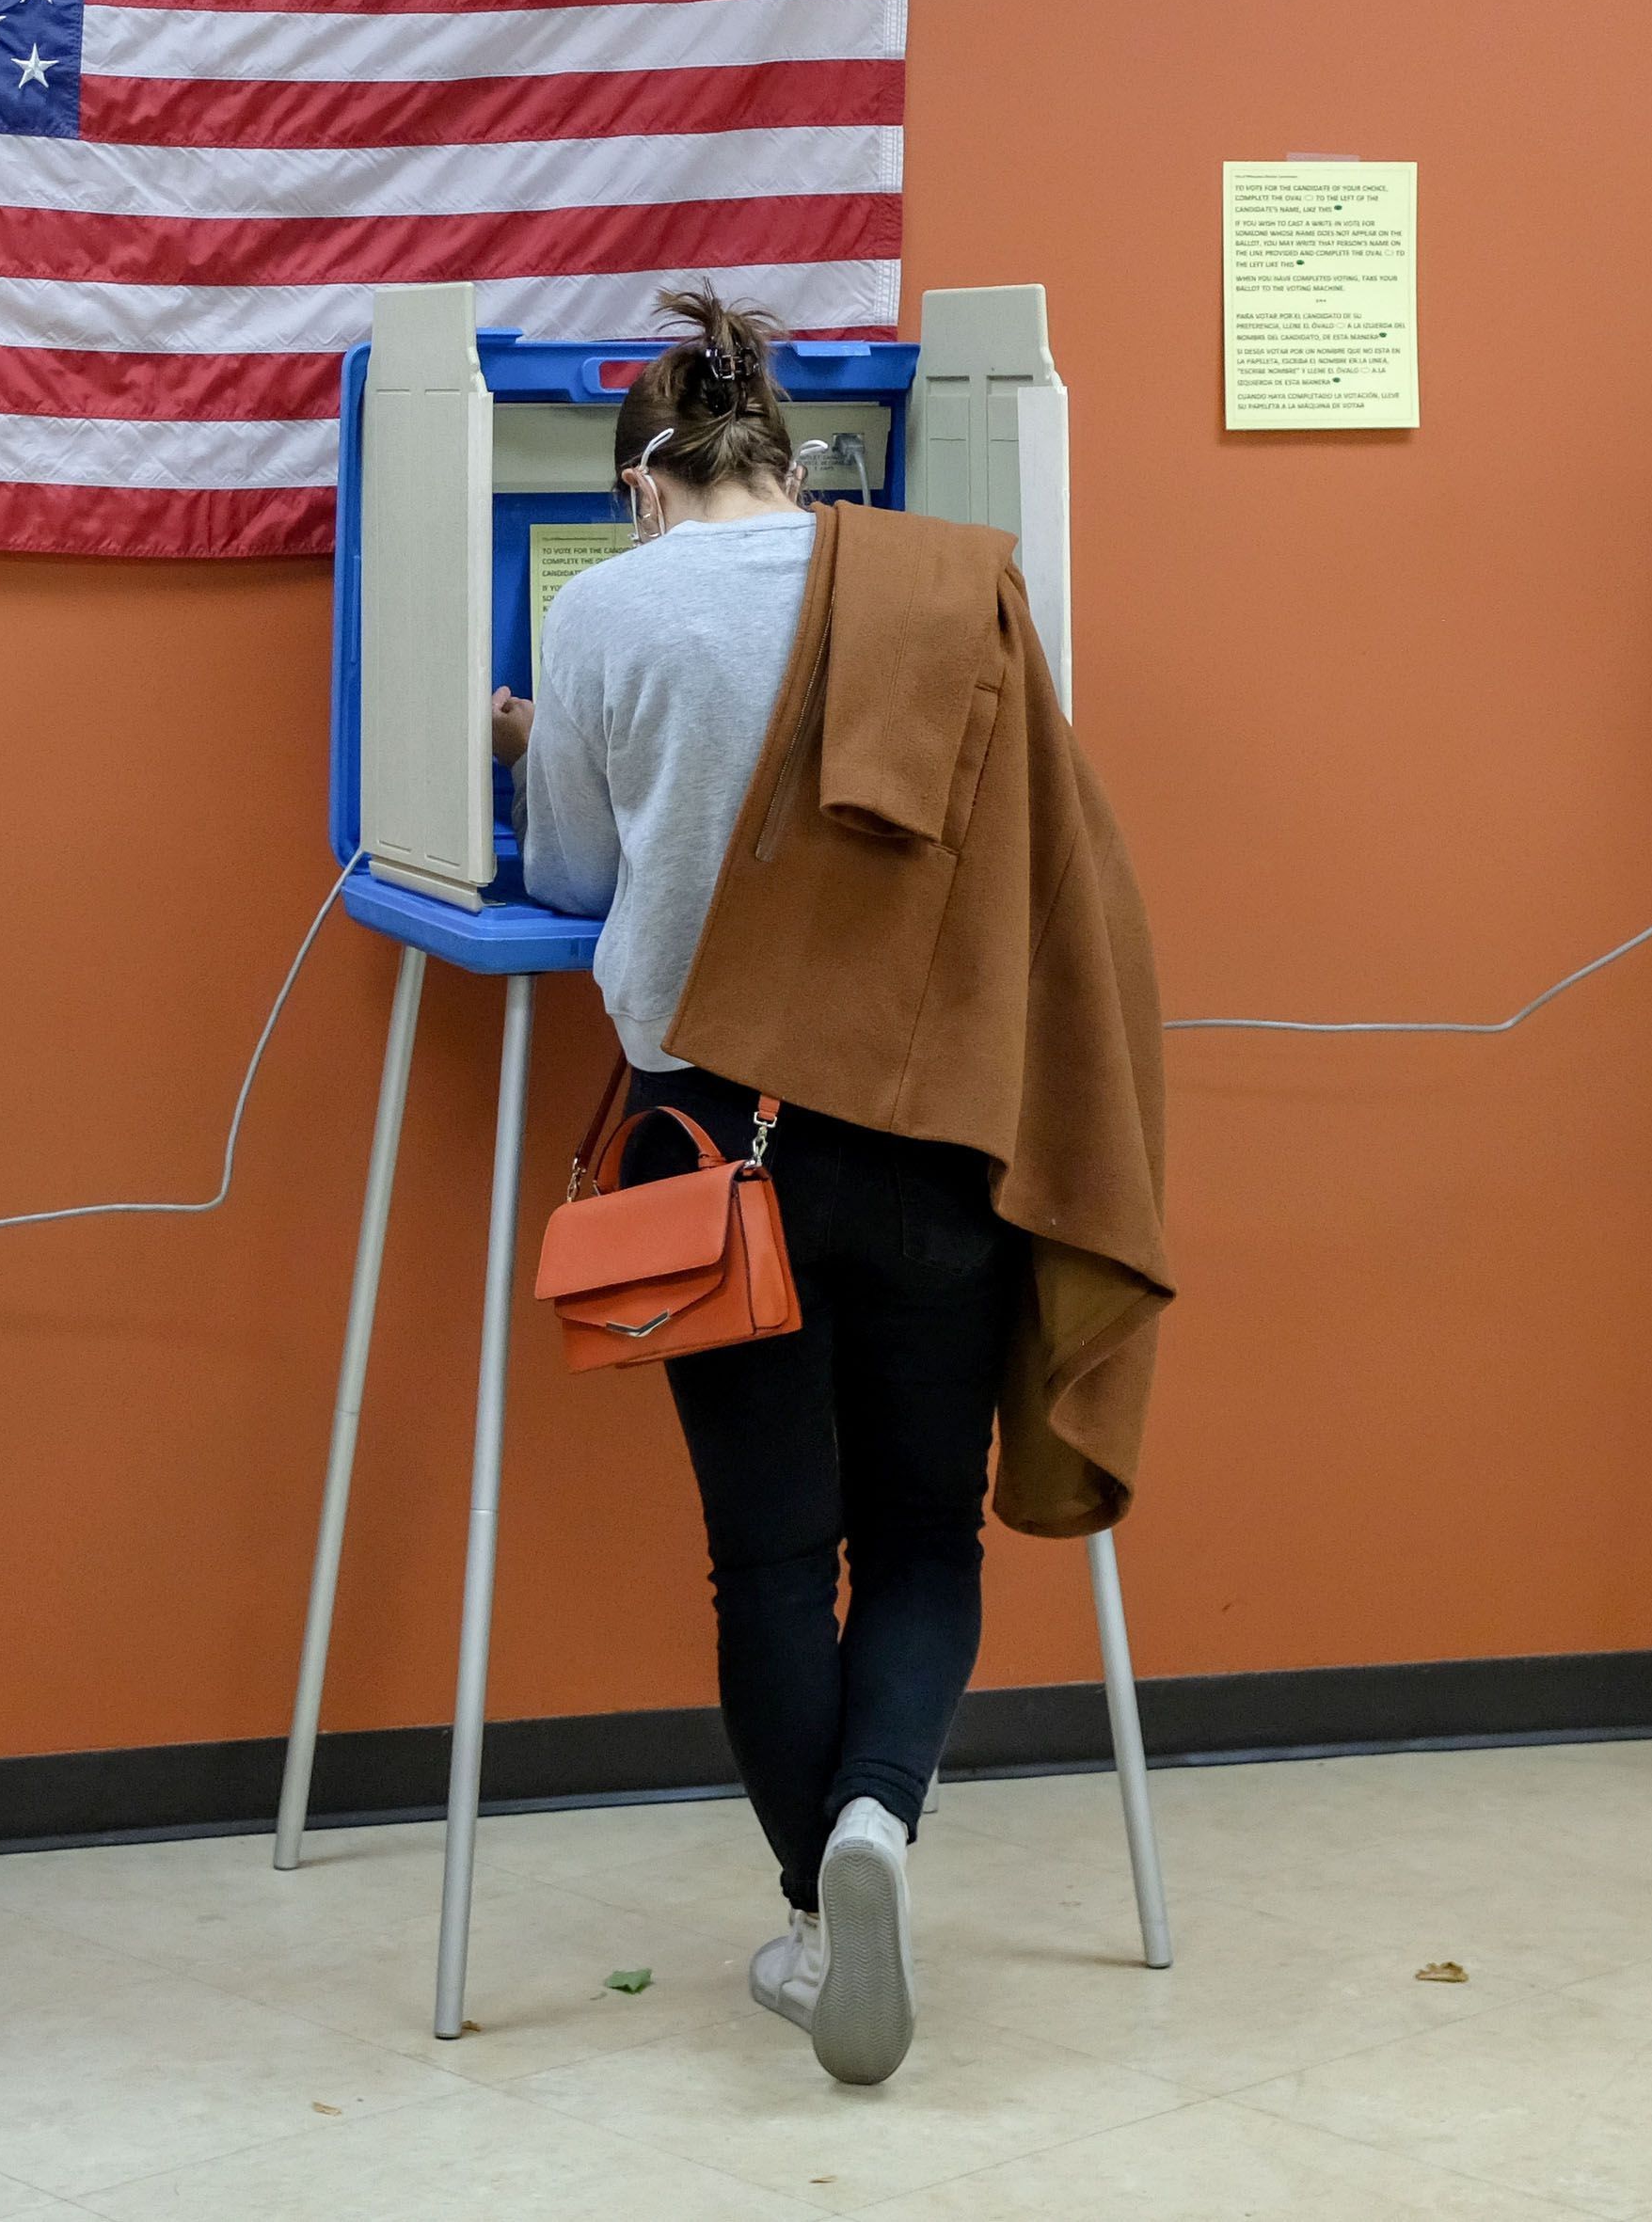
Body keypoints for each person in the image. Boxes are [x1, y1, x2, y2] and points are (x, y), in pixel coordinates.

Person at [493, 285, 1038, 2087]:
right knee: (924, 1534)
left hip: (721, 1143)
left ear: (643, 474)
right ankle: (881, 1819)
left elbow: (574, 868)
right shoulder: (942, 578)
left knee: (768, 1559)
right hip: (931, 1119)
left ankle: (816, 1911)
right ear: (800, 460)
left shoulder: (604, 608)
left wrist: (526, 747)